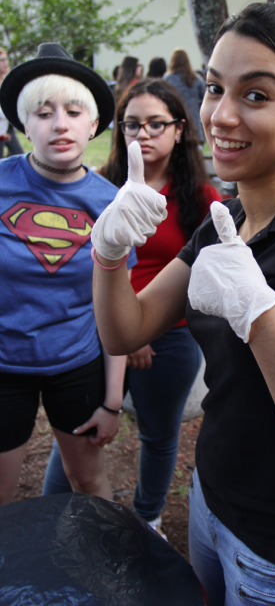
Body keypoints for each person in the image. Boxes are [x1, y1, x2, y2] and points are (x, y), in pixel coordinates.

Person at [90, 3, 275, 606]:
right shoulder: (225, 220)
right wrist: (107, 252)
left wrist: (258, 313)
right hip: (212, 498)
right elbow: (125, 332)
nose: (221, 115)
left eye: (256, 95)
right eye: (213, 88)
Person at [44, 79, 220, 536]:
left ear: (180, 129)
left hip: (170, 337)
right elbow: (75, 266)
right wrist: (122, 334)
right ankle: (52, 521)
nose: (143, 134)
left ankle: (148, 520)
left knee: (158, 437)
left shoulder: (201, 198)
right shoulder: (98, 186)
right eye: (132, 124)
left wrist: (144, 328)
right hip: (98, 332)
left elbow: (205, 272)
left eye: (156, 124)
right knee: (78, 431)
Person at [0, 43, 136, 505]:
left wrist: (112, 400)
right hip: (4, 367)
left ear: (93, 124)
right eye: (43, 113)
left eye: (74, 111)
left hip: (76, 366)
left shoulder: (110, 203)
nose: (60, 124)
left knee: (89, 485)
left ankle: (101, 570)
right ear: (23, 124)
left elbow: (117, 311)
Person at [165, 49, 206, 144]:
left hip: (174, 121)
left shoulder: (168, 80)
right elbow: (205, 97)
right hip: (194, 121)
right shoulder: (195, 79)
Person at [0, 47, 24, 158]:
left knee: (19, 154)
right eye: (1, 60)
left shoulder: (7, 79)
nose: (5, 63)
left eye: (6, 59)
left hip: (8, 125)